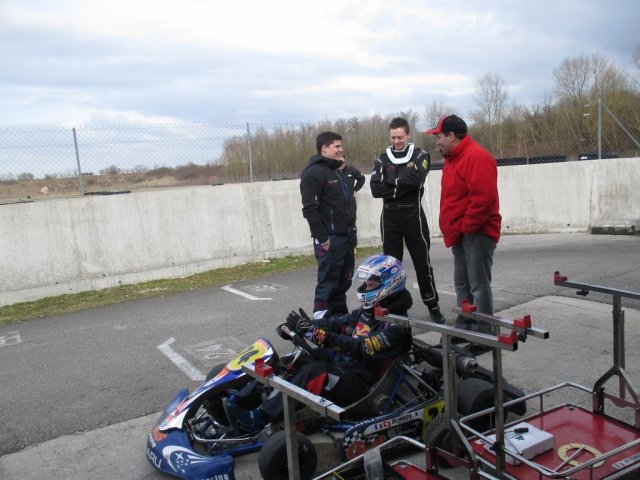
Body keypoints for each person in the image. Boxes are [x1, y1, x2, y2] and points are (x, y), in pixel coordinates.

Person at [271, 255, 413, 414]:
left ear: (390, 284)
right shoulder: (369, 310)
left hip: (363, 384)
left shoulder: (397, 326)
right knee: (291, 361)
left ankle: (266, 416)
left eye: (371, 285)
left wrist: (317, 335)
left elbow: (360, 348)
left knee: (316, 372)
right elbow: (338, 323)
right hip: (346, 366)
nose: (365, 289)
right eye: (365, 284)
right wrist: (307, 326)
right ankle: (249, 402)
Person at [425, 115, 501, 337]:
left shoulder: (476, 157)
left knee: (478, 286)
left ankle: (484, 333)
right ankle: (466, 326)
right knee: (462, 284)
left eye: (438, 136)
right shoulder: (453, 158)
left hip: (476, 233)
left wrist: (467, 227)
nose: (436, 141)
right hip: (461, 233)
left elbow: (483, 199)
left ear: (451, 136)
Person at [370, 117, 445, 324]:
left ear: (408, 135)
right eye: (393, 137)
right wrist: (402, 186)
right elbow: (376, 189)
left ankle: (433, 304)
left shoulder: (421, 155)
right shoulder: (382, 159)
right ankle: (395, 309)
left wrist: (391, 185)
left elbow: (416, 181)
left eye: (400, 137)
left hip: (413, 215)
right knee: (391, 267)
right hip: (390, 217)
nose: (396, 141)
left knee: (423, 263)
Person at [300, 131, 357, 316]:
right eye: (337, 146)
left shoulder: (338, 171)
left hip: (347, 237)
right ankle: (320, 327)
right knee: (328, 285)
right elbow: (309, 210)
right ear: (324, 149)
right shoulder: (313, 173)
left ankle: (340, 323)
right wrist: (323, 239)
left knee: (342, 284)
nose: (341, 149)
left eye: (341, 146)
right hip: (330, 240)